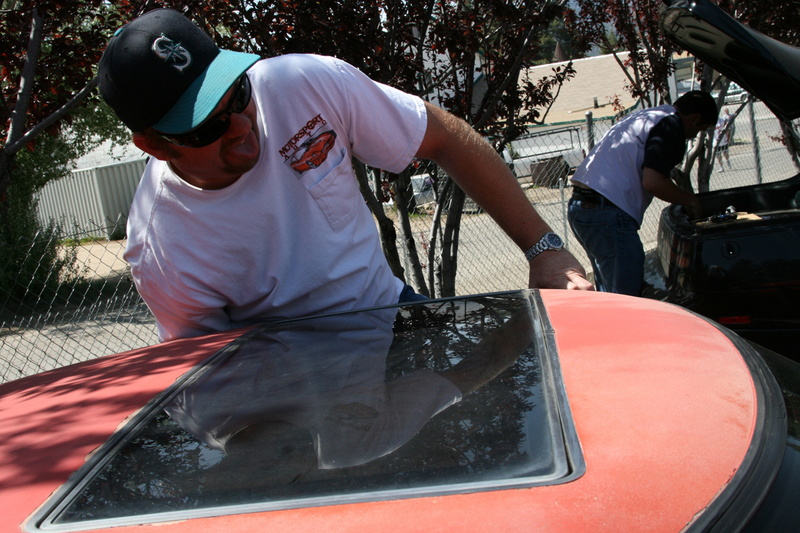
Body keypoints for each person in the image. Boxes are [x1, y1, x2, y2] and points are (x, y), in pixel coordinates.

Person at [97, 9, 592, 343]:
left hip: (393, 310)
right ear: (154, 145)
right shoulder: (163, 246)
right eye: (209, 126)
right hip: (296, 379)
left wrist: (545, 251)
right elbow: (215, 381)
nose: (244, 128)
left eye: (239, 95)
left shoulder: (303, 84)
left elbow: (444, 137)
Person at [567, 90, 718, 296]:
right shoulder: (671, 125)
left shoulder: (650, 116)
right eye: (700, 129)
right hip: (607, 210)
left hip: (583, 207)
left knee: (612, 293)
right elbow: (653, 182)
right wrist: (691, 201)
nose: (694, 135)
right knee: (627, 298)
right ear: (693, 118)